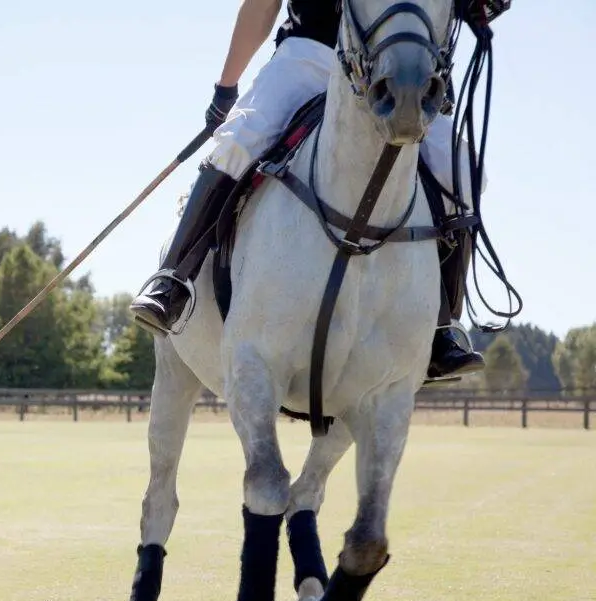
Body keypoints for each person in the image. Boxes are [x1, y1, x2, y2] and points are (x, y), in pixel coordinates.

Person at [129, 0, 510, 380]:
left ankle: (442, 327)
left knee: (462, 171)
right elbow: (263, 5)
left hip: (395, 69)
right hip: (310, 57)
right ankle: (174, 280)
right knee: (240, 140)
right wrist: (227, 88)